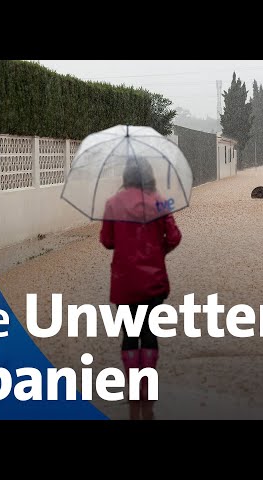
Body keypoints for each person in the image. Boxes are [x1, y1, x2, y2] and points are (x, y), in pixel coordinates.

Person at [99, 156, 182, 420]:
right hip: (153, 282)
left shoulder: (113, 203)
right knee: (149, 332)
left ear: (126, 177)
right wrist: (159, 252)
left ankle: (133, 390)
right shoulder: (159, 202)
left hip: (124, 283)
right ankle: (148, 390)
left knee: (129, 334)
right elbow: (175, 237)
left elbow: (107, 241)